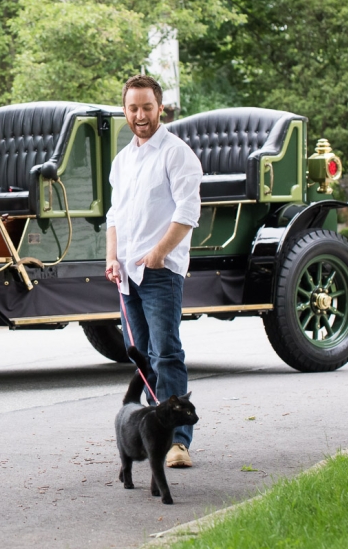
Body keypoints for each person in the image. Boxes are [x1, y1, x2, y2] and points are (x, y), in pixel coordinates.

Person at [105, 74, 202, 468]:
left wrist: (160, 253)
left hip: (160, 272)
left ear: (160, 108)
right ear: (125, 110)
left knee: (166, 355)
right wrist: (112, 258)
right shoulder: (122, 161)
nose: (140, 115)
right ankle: (155, 435)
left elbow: (188, 212)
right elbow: (114, 215)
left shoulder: (177, 154)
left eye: (147, 107)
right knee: (143, 359)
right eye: (133, 108)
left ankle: (179, 442)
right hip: (127, 276)